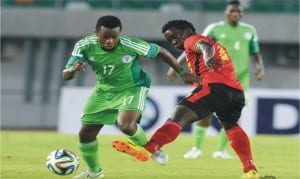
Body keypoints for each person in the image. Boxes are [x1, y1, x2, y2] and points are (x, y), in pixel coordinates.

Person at [112, 19, 259, 179]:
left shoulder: (192, 39)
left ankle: (149, 148)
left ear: (188, 30)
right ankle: (250, 170)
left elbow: (205, 47)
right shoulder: (217, 45)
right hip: (236, 92)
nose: (174, 42)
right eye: (170, 40)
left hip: (214, 88)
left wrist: (208, 57)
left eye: (175, 36)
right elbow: (211, 53)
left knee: (177, 118)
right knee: (231, 127)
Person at [62, 15, 198, 178]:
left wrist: (182, 73)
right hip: (104, 91)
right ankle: (94, 172)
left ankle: (152, 149)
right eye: (105, 37)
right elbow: (66, 75)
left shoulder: (130, 44)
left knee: (126, 125)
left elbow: (161, 51)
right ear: (96, 32)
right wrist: (73, 70)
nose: (110, 41)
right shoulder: (84, 45)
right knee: (85, 135)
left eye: (114, 37)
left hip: (133, 87)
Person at [167, 0, 265, 159]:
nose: (236, 14)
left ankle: (221, 150)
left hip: (240, 80)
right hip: (213, 77)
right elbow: (193, 46)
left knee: (232, 117)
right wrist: (175, 67)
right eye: (232, 11)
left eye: (239, 12)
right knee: (205, 113)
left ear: (242, 14)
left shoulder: (250, 30)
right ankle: (196, 148)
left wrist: (260, 67)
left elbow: (255, 52)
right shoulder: (214, 29)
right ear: (226, 13)